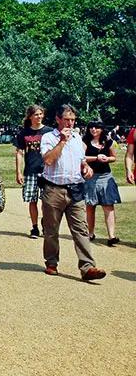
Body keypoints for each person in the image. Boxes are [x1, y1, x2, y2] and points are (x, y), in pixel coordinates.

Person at [39, 104, 106, 281]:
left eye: (73, 120)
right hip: (54, 189)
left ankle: (87, 267)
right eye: (67, 119)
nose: (70, 123)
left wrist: (86, 167)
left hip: (75, 189)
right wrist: (61, 140)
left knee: (81, 230)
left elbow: (80, 160)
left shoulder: (77, 138)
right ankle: (51, 262)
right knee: (51, 230)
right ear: (58, 119)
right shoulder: (48, 137)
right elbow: (48, 160)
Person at [14, 105, 52, 239]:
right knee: (32, 200)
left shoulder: (49, 132)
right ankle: (35, 227)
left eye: (41, 114)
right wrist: (18, 172)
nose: (39, 117)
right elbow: (19, 152)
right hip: (30, 171)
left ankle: (46, 226)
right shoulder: (24, 133)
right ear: (30, 116)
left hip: (47, 171)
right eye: (36, 114)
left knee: (47, 202)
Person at [82, 122, 121, 246]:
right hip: (91, 177)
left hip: (105, 176)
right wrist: (96, 157)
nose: (94, 129)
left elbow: (114, 157)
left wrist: (107, 159)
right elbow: (81, 157)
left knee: (108, 206)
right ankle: (90, 233)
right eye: (91, 127)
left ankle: (111, 236)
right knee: (90, 206)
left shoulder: (107, 141)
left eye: (97, 127)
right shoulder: (85, 142)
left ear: (102, 129)